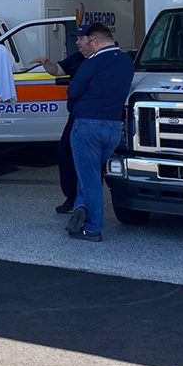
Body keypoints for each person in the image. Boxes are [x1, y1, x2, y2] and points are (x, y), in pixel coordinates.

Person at [58, 22, 133, 242]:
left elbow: (72, 91)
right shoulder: (127, 62)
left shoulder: (92, 63)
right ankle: (81, 205)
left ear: (95, 41)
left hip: (88, 126)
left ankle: (92, 228)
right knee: (88, 172)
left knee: (90, 179)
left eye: (87, 41)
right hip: (113, 127)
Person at [34, 24, 91, 214]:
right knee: (65, 154)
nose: (77, 42)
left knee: (90, 160)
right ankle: (71, 197)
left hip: (93, 116)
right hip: (75, 116)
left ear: (93, 40)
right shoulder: (76, 58)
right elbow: (58, 70)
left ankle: (88, 200)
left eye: (81, 39)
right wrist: (46, 62)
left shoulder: (100, 61)